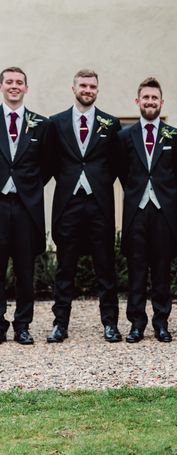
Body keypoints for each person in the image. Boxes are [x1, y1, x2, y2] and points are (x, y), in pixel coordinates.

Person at [48, 70, 122, 343]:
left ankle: (110, 324)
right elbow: (50, 162)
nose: (87, 89)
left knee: (105, 267)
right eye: (83, 85)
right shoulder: (56, 123)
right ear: (73, 88)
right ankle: (60, 324)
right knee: (65, 268)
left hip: (98, 204)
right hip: (68, 203)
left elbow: (115, 164)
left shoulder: (110, 124)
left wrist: (97, 182)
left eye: (92, 86)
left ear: (97, 90)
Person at [117, 77, 177, 343]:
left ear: (161, 102)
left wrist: (164, 196)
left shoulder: (175, 136)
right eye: (145, 98)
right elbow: (122, 172)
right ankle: (136, 324)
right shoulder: (124, 136)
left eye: (154, 98)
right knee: (136, 270)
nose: (150, 102)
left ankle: (161, 323)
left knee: (161, 270)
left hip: (163, 212)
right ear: (138, 101)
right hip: (136, 211)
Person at [0, 67, 51, 345]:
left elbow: (47, 165)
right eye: (9, 82)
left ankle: (22, 325)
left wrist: (28, 188)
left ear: (26, 88)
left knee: (24, 271)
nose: (14, 86)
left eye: (19, 82)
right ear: (1, 86)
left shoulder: (40, 125)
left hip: (25, 208)